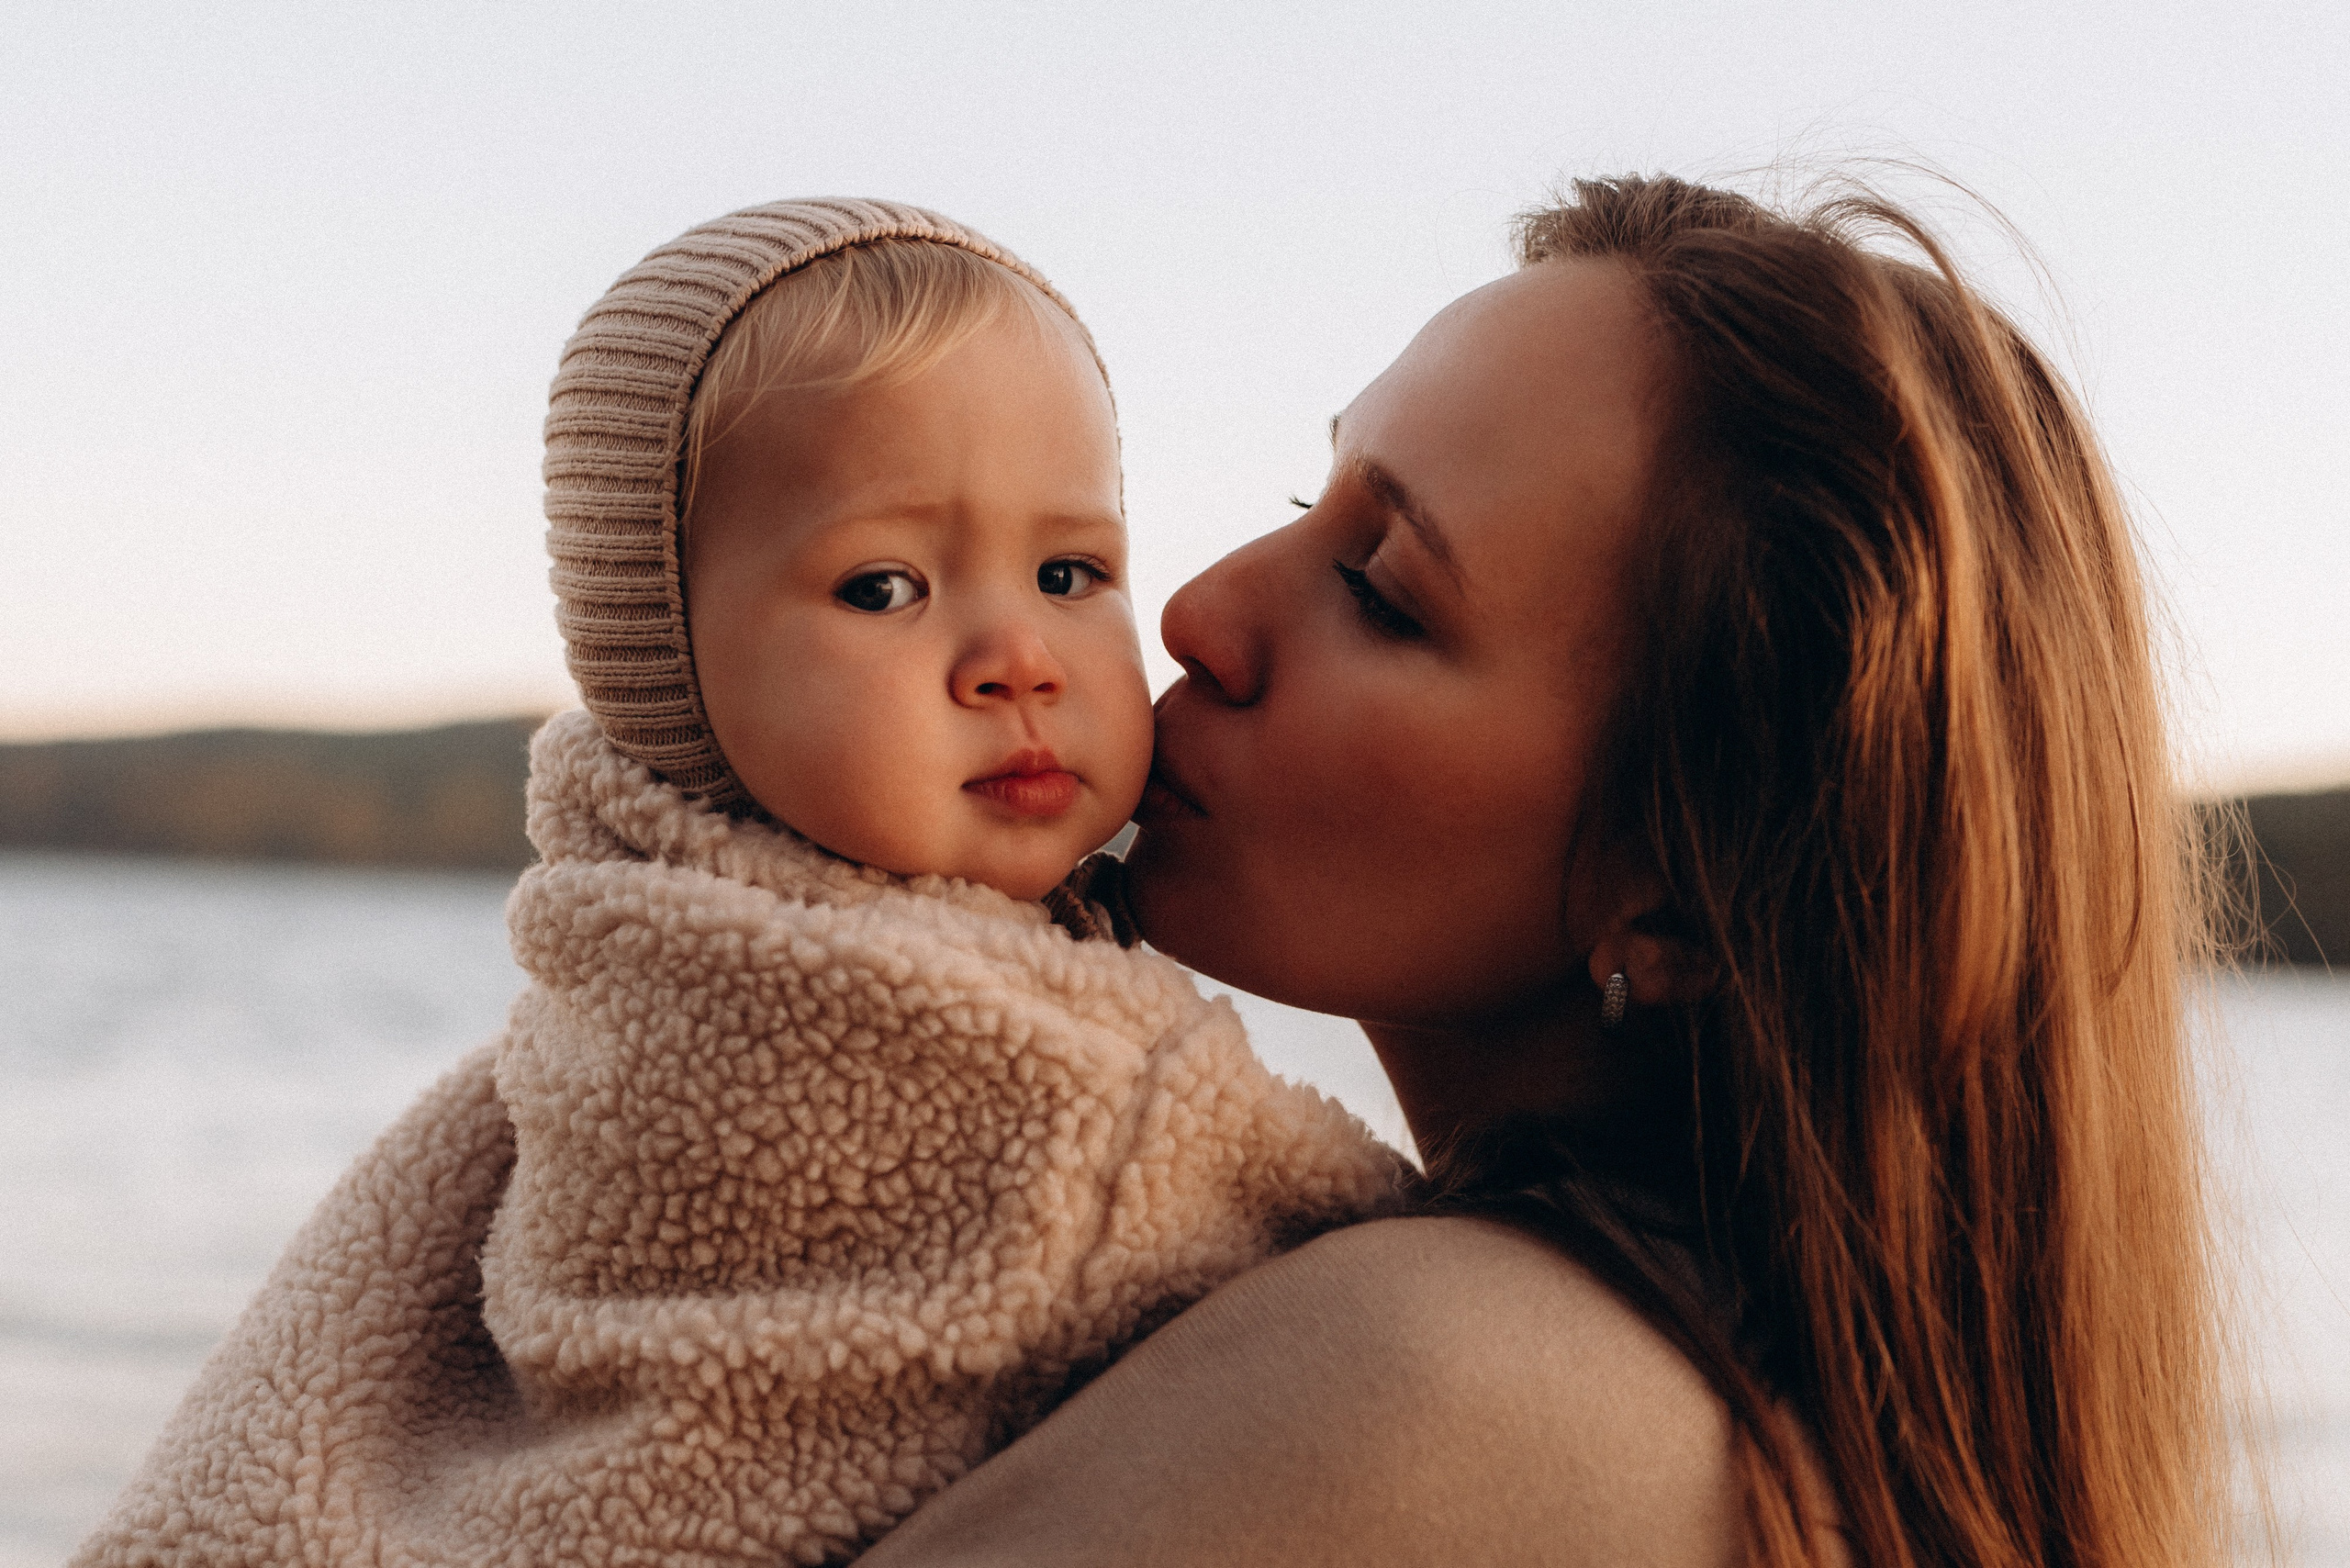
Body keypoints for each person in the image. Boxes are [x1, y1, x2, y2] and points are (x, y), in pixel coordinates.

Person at [856, 175, 2240, 1567]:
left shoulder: (1432, 1381)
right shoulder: (1813, 1446)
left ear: (1686, 893)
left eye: (1382, 592)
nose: (1199, 609)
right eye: (1306, 495)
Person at [70, 199, 1399, 1568]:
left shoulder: (677, 952)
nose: (1017, 656)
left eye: (1072, 572)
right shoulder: (1007, 1084)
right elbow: (1344, 1275)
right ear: (670, 669)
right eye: (884, 589)